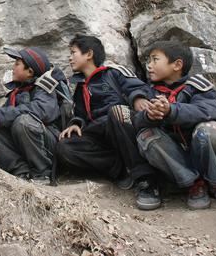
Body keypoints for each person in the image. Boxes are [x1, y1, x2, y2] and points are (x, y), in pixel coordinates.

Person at [132, 41, 216, 210]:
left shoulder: (197, 86)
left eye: (155, 60)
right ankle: (194, 184)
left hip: (200, 150)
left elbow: (210, 110)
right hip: (176, 158)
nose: (149, 66)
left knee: (209, 130)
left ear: (177, 65)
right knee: (146, 135)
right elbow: (137, 122)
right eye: (148, 61)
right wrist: (150, 116)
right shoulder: (150, 91)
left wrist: (171, 111)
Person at [55, 35, 155, 189]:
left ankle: (145, 179)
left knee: (117, 112)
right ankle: (119, 170)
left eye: (73, 53)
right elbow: (80, 114)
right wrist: (76, 123)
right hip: (97, 134)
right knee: (64, 147)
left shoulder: (113, 72)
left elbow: (138, 87)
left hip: (120, 128)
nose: (70, 58)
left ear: (89, 54)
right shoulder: (80, 86)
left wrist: (137, 98)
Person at [0, 47, 66, 183]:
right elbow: (6, 116)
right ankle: (20, 171)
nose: (13, 67)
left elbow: (42, 110)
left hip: (49, 145)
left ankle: (42, 173)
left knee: (23, 121)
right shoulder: (19, 90)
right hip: (25, 142)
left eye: (17, 64)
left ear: (30, 72)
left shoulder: (45, 87)